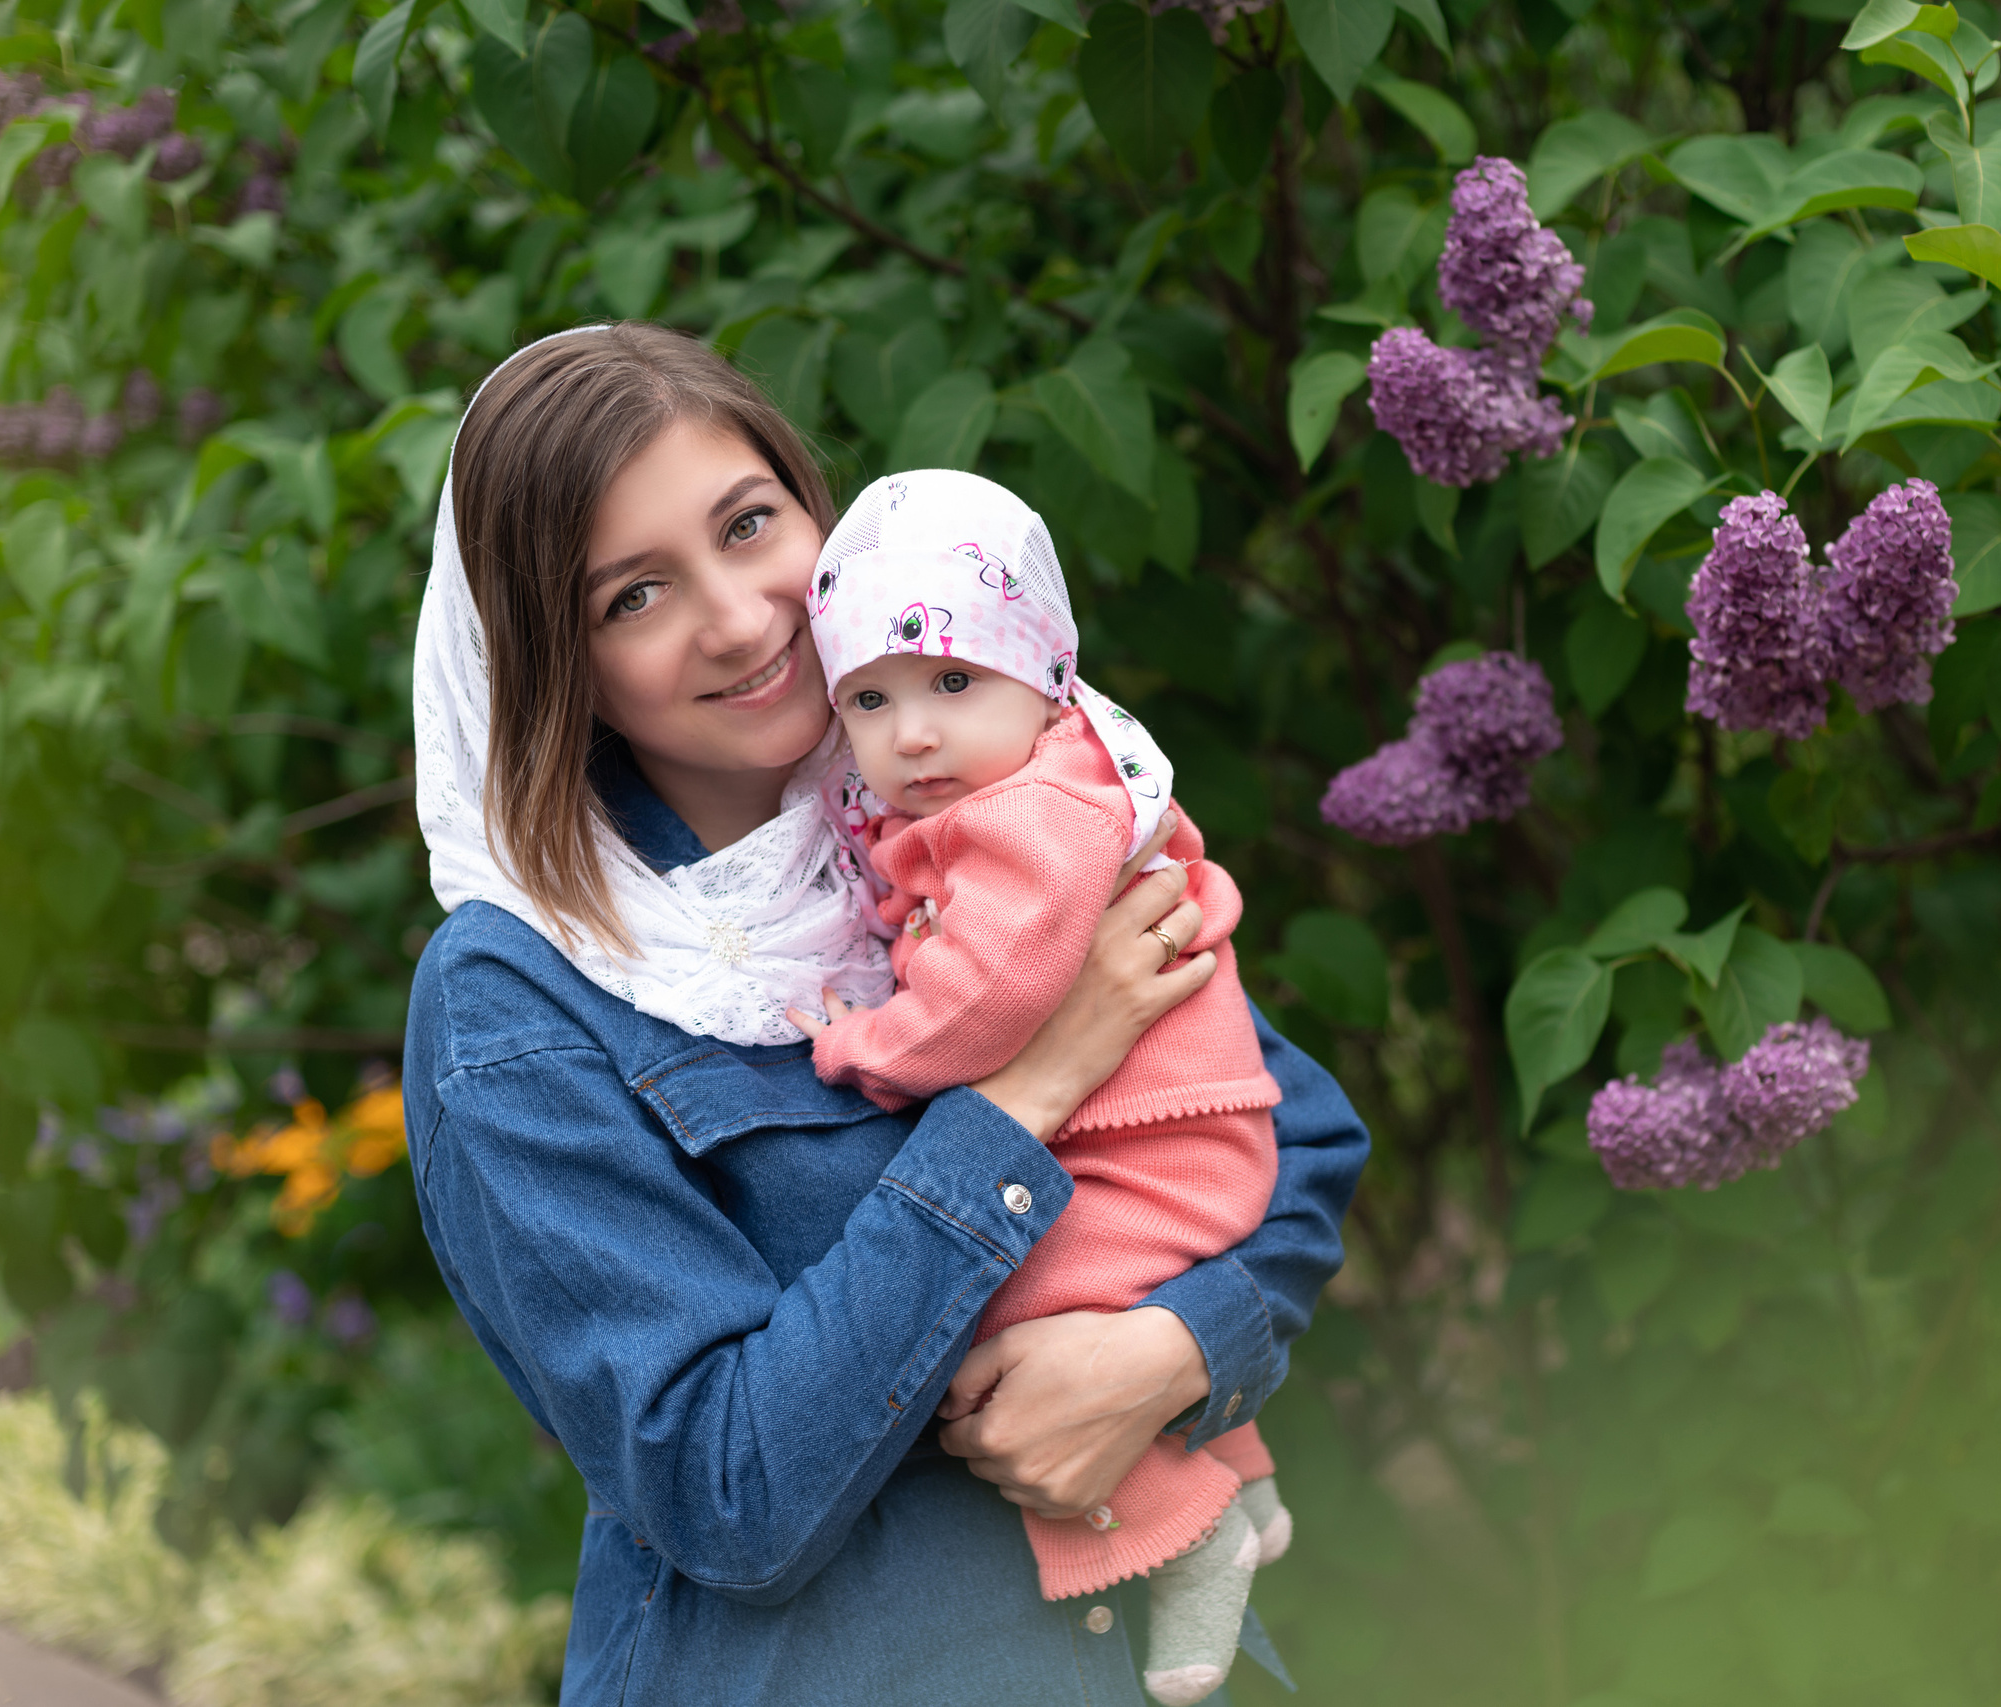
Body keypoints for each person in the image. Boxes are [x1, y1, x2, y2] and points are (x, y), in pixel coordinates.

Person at [400, 322, 1367, 1706]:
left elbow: (1297, 1135)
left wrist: (1172, 1351)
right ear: (558, 659)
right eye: (635, 596)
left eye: (749, 524)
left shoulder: (974, 790)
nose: (741, 618)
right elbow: (728, 1494)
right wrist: (1020, 1098)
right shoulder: (519, 998)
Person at [790, 471, 1292, 1704]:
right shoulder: (1033, 781)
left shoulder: (1036, 813)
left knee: (1011, 1310)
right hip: (1159, 1129)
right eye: (870, 699)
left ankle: (1188, 1533)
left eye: (954, 683)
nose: (913, 734)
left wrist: (863, 1045)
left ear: (1043, 676)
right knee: (1100, 1290)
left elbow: (988, 1000)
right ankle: (1246, 1480)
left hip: (1154, 1138)